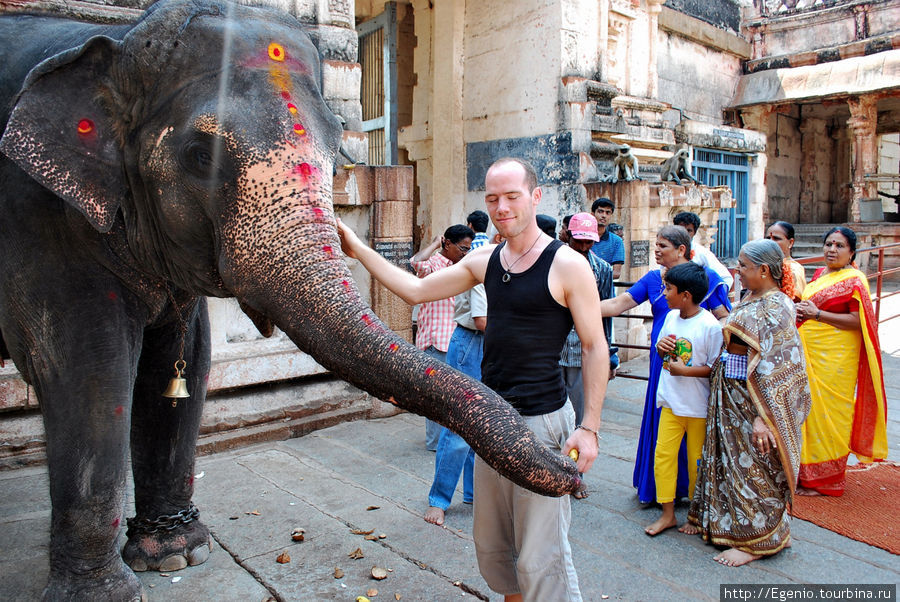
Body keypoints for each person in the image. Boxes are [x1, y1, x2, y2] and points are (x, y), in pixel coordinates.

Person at [338, 157, 609, 602]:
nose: (502, 207)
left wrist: (591, 426)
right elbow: (416, 290)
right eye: (493, 199)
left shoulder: (566, 265)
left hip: (542, 424)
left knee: (541, 558)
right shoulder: (485, 259)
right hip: (490, 420)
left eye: (512, 197)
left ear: (535, 197)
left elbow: (595, 347)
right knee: (496, 552)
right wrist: (358, 248)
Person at [686, 239, 811, 567]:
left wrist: (763, 417)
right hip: (729, 396)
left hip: (753, 403)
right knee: (730, 464)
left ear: (764, 270)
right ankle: (726, 525)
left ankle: (758, 541)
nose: (737, 271)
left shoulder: (776, 306)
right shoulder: (750, 298)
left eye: (743, 266)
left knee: (754, 468)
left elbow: (780, 366)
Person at [600, 225, 731, 504]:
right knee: (664, 431)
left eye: (662, 246)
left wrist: (707, 343)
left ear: (681, 249)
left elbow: (723, 317)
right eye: (655, 245)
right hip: (663, 363)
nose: (656, 251)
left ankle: (694, 496)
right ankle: (662, 492)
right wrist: (576, 305)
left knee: (695, 435)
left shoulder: (705, 279)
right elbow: (619, 303)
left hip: (698, 367)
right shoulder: (652, 279)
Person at [794, 226, 887, 496]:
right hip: (811, 353)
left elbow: (860, 321)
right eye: (829, 244)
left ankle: (828, 479)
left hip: (834, 360)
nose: (831, 250)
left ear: (852, 252)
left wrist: (817, 315)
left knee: (831, 414)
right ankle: (806, 473)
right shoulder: (822, 274)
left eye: (839, 246)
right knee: (809, 413)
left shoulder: (856, 280)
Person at [645, 262, 723, 536]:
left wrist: (685, 371)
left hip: (698, 408)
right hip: (670, 403)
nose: (664, 293)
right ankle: (668, 514)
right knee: (663, 457)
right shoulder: (670, 317)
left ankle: (695, 514)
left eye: (669, 289)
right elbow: (662, 349)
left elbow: (715, 368)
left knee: (696, 463)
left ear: (686, 295)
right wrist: (659, 346)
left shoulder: (710, 326)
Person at [559, 213, 619, 500]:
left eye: (588, 242)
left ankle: (575, 476)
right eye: (578, 240)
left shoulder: (603, 269)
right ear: (566, 235)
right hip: (550, 348)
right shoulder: (553, 262)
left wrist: (611, 354)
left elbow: (604, 315)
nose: (583, 247)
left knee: (581, 417)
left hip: (582, 350)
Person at [424, 281, 486, 525]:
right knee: (458, 426)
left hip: (488, 342)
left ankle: (473, 493)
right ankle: (439, 500)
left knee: (482, 424)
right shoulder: (484, 255)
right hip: (473, 341)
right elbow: (481, 319)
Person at [410, 224, 474, 450]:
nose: (465, 253)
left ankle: (450, 439)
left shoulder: (464, 267)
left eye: (468, 249)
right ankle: (436, 442)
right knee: (435, 395)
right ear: (448, 244)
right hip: (436, 339)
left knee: (453, 396)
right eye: (462, 248)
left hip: (455, 340)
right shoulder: (436, 263)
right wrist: (435, 243)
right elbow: (416, 261)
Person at [673, 211, 734, 290]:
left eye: (689, 230)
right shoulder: (669, 250)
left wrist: (712, 298)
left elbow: (726, 278)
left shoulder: (702, 253)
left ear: (694, 232)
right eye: (681, 229)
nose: (684, 233)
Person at [765, 221, 806, 301]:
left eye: (776, 238)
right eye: (768, 238)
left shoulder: (794, 269)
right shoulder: (765, 265)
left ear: (790, 242)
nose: (771, 242)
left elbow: (795, 301)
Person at [590, 198, 625, 279]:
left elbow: (616, 273)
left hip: (605, 289)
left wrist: (591, 277)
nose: (604, 215)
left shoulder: (617, 241)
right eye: (600, 211)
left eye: (608, 213)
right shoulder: (584, 238)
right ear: (592, 214)